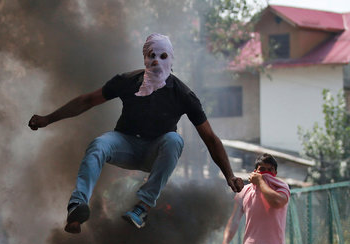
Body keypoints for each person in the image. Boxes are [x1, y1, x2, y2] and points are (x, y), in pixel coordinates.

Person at [28, 33, 243, 233]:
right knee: (98, 145)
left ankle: (142, 208)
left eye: (163, 56)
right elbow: (87, 101)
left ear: (171, 60)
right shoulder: (127, 81)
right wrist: (48, 118)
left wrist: (229, 175)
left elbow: (210, 138)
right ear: (145, 59)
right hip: (125, 144)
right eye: (151, 56)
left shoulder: (183, 94)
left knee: (174, 139)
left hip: (155, 152)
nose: (156, 61)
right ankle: (77, 205)